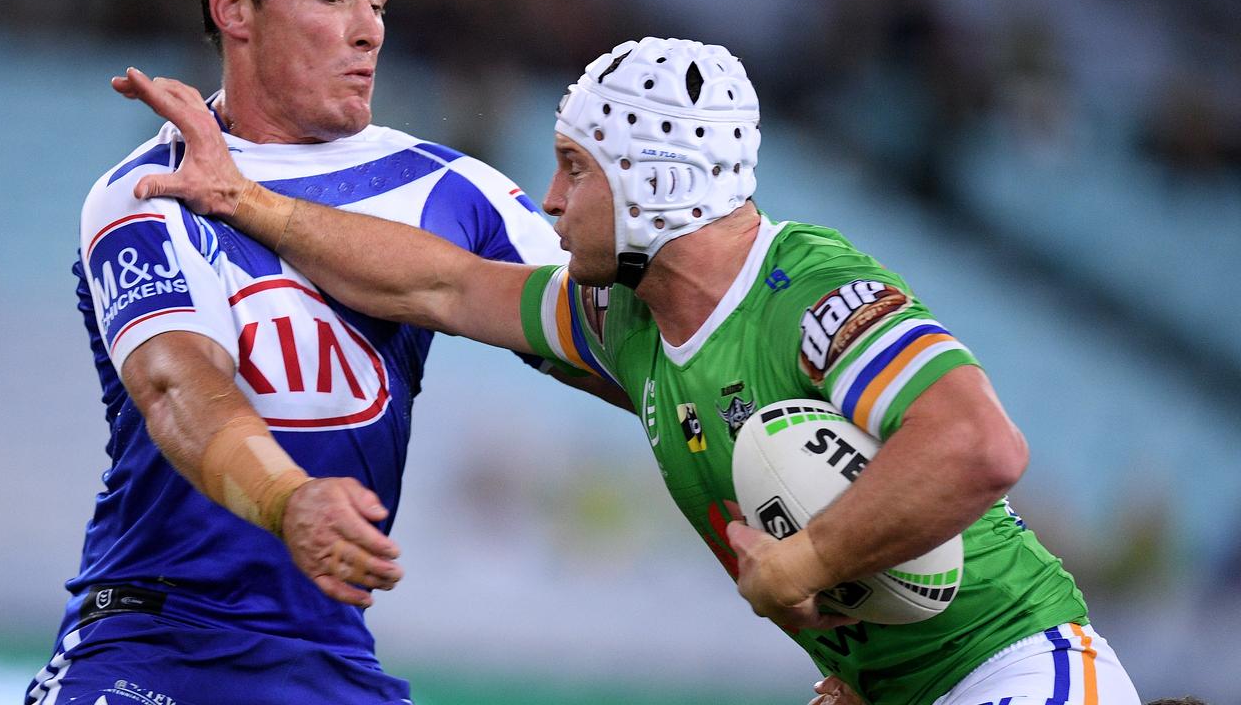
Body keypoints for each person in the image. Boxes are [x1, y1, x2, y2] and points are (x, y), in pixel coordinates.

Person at [114, 37, 1144, 704]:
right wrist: (249, 203)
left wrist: (804, 559)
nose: (549, 202)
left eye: (572, 168)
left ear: (652, 184)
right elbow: (443, 288)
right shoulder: (628, 319)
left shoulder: (805, 288)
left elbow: (977, 444)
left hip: (1017, 671)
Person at [25, 0, 620, 703]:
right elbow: (177, 386)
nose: (369, 31)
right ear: (235, 8)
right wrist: (287, 499)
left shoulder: (455, 192)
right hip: (153, 641)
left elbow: (623, 357)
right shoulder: (149, 191)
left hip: (329, 656)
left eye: (379, 2)